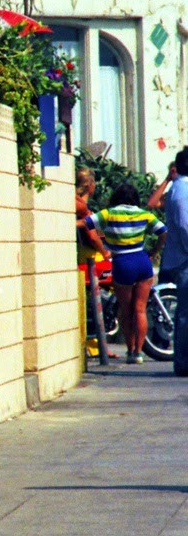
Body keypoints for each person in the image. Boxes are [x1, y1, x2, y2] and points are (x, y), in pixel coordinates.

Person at [85, 182, 166, 364]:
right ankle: (138, 352)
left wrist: (105, 240)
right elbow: (163, 231)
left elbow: (89, 224)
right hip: (142, 260)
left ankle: (129, 350)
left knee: (125, 309)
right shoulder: (144, 214)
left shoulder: (110, 213)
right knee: (140, 309)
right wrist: (154, 250)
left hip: (122, 262)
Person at [157, 147, 188, 376]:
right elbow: (185, 225)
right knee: (185, 313)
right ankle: (183, 361)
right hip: (185, 259)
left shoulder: (180, 188)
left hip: (180, 256)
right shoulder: (183, 190)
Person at [75, 167, 110, 262]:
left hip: (80, 254)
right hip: (93, 258)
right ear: (90, 185)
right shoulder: (84, 209)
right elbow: (93, 237)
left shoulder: (74, 205)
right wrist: (105, 252)